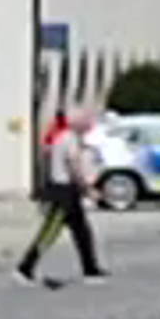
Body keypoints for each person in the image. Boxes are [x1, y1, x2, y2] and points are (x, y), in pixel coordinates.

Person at [20, 97, 104, 285]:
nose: (88, 125)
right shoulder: (69, 138)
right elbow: (73, 167)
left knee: (82, 231)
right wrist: (87, 189)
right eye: (85, 121)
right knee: (49, 233)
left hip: (68, 192)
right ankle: (25, 268)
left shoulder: (65, 136)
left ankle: (91, 270)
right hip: (62, 192)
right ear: (75, 121)